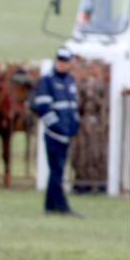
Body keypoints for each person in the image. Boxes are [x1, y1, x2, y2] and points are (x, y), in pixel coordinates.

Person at [32, 46, 82, 217]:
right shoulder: (47, 81)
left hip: (66, 134)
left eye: (65, 61)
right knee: (57, 170)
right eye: (59, 60)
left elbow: (73, 106)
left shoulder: (69, 81)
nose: (61, 64)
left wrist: (74, 125)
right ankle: (61, 206)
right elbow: (43, 108)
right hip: (54, 135)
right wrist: (58, 128)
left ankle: (51, 206)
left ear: (70, 63)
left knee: (58, 170)